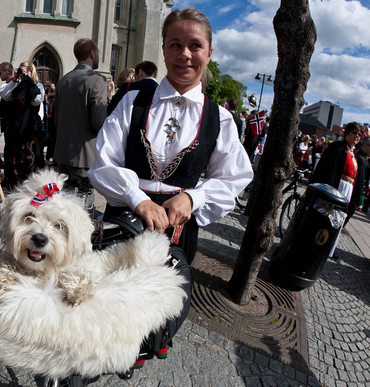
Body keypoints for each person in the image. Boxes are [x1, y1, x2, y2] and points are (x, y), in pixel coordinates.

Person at [88, 8, 252, 372]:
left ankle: (142, 350)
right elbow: (103, 162)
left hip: (180, 230)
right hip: (125, 220)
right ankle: (103, 353)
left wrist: (194, 196)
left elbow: (236, 176)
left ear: (209, 52)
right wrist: (138, 199)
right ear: (163, 49)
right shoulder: (132, 102)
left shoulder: (220, 119)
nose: (185, 55)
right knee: (112, 296)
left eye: (195, 45)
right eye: (175, 44)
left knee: (159, 302)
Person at [53, 38, 107, 181]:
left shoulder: (64, 80)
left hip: (62, 154)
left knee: (62, 200)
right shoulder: (97, 80)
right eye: (98, 52)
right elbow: (99, 121)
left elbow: (56, 117)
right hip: (84, 156)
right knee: (82, 201)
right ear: (92, 53)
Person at [310, 122, 363, 260]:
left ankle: (329, 248)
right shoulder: (337, 148)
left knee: (339, 219)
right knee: (328, 216)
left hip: (348, 190)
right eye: (354, 133)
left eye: (360, 134)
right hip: (338, 187)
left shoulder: (354, 153)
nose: (357, 136)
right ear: (347, 133)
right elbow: (328, 170)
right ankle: (318, 244)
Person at [0, 61, 44, 187]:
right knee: (13, 159)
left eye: (24, 71)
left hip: (28, 129)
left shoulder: (37, 86)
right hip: (15, 128)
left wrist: (27, 81)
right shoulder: (16, 86)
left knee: (28, 159)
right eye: (20, 71)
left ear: (30, 71)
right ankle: (13, 182)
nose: (22, 74)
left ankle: (28, 184)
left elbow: (37, 100)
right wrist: (15, 80)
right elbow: (4, 95)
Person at [344, 135, 370, 226]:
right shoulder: (361, 160)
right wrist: (360, 201)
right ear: (366, 145)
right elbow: (361, 181)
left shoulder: (360, 156)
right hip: (354, 195)